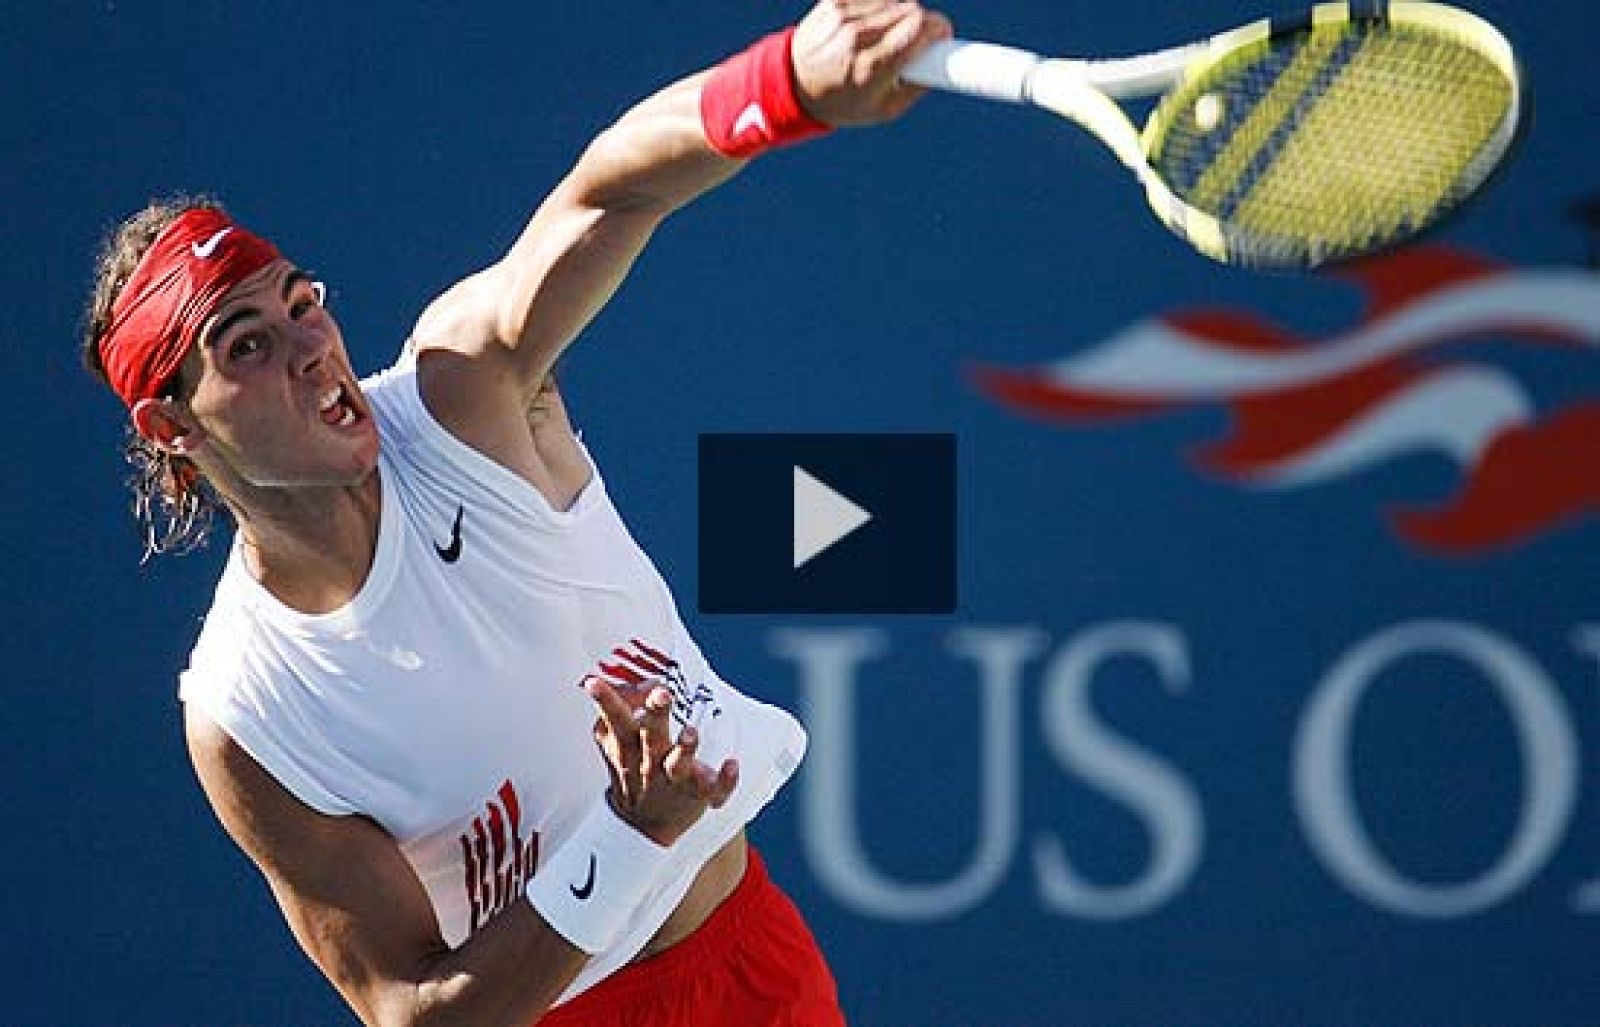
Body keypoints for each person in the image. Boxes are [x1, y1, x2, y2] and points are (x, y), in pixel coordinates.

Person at [80, 2, 951, 1024]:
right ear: (172, 426)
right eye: (246, 345)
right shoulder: (247, 709)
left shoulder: (462, 391)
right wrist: (627, 838)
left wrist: (786, 82)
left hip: (755, 958)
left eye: (301, 302)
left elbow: (610, 191)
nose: (310, 348)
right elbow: (410, 1007)